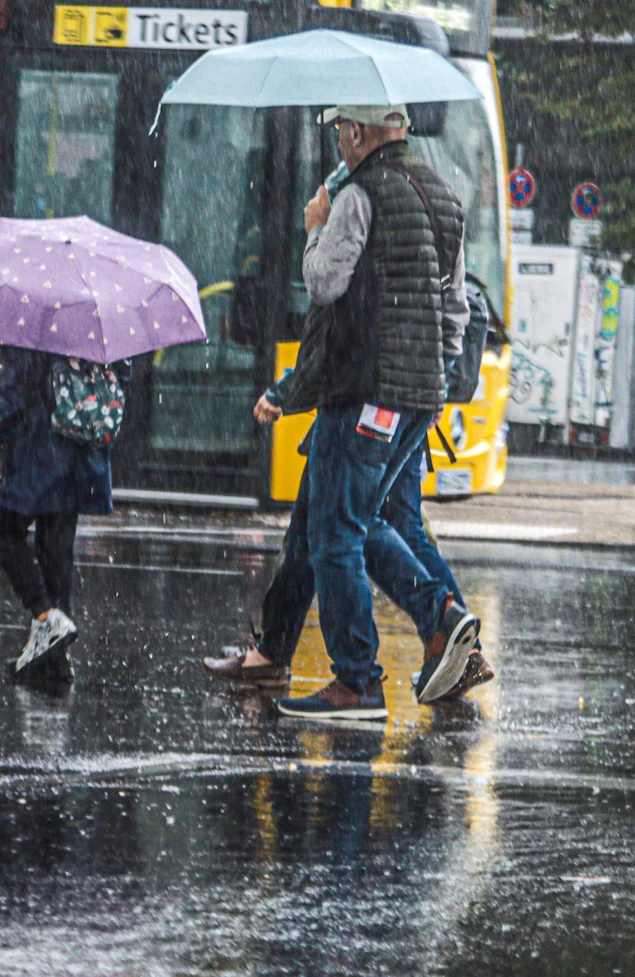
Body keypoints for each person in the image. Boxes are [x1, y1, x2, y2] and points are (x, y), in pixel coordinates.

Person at [204, 104, 480, 720]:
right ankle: (278, 652)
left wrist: (314, 227)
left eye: (338, 132)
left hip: (364, 391)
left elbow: (324, 282)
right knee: (341, 519)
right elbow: (456, 309)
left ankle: (361, 677)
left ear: (356, 132)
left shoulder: (360, 194)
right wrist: (427, 375)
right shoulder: (444, 195)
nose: (338, 144)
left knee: (337, 535)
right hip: (418, 394)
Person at [0, 348, 128, 689]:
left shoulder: (30, 329)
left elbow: (8, 402)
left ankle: (45, 616)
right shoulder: (100, 333)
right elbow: (120, 381)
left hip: (38, 450)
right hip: (81, 452)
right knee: (56, 551)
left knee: (3, 532)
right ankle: (56, 661)